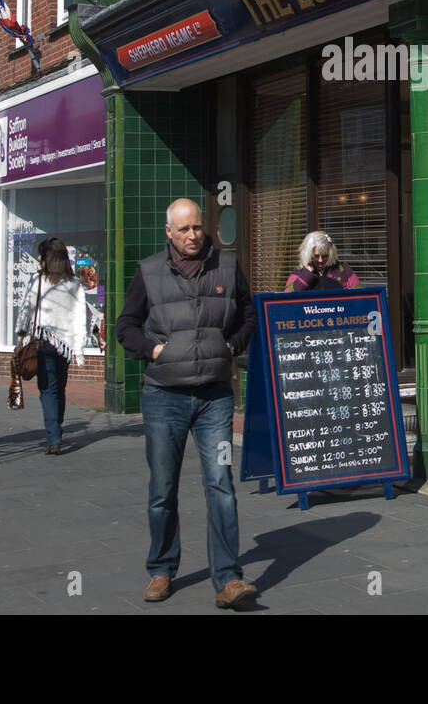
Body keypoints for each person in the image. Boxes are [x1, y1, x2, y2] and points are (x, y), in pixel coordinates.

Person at [116, 197, 258, 610]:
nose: (193, 235)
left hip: (214, 396)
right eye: (184, 229)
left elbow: (248, 314)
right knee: (162, 488)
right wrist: (154, 351)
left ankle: (229, 580)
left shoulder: (227, 266)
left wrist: (232, 344)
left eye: (197, 227)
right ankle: (161, 570)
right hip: (164, 398)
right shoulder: (148, 271)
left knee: (221, 485)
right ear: (169, 233)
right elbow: (125, 326)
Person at [15, 237, 90, 455]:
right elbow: (79, 316)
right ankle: (56, 428)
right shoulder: (74, 284)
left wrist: (21, 335)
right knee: (59, 387)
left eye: (42, 255)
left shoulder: (38, 281)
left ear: (48, 258)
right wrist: (79, 346)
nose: (39, 259)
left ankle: (53, 436)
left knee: (48, 389)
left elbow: (27, 309)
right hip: (64, 344)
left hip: (43, 341)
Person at [284, 231, 359, 292]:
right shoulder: (299, 271)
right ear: (309, 254)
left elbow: (359, 296)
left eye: (324, 256)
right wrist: (307, 273)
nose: (320, 260)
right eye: (316, 256)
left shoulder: (344, 270)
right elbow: (287, 297)